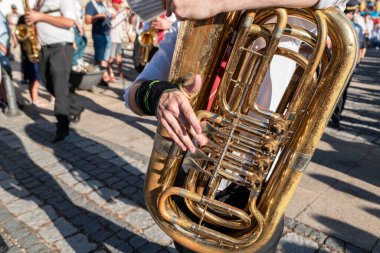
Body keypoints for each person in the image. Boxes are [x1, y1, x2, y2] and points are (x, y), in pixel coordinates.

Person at [125, 1, 351, 252]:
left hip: (253, 192)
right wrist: (158, 96)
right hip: (191, 181)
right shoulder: (191, 25)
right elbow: (133, 93)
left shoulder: (291, 18)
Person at [25, 0, 84, 143]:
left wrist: (40, 17)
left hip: (61, 47)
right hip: (45, 47)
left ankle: (62, 127)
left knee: (59, 86)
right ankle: (76, 104)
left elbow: (69, 22)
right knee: (48, 83)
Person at [331, 0, 361, 128]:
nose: (350, 14)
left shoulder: (355, 27)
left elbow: (362, 47)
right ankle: (335, 115)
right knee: (338, 90)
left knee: (339, 90)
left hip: (343, 63)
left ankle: (336, 115)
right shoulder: (354, 27)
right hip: (338, 62)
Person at [85, 0, 112, 84]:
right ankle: (103, 77)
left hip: (105, 34)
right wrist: (97, 16)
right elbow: (87, 20)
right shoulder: (91, 4)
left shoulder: (102, 4)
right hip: (98, 34)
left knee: (100, 59)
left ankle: (97, 79)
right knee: (101, 59)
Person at [108, 0, 129, 81]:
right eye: (118, 3)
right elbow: (109, 19)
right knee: (111, 57)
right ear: (113, 3)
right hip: (113, 37)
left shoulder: (122, 11)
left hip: (120, 37)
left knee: (119, 56)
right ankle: (111, 73)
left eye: (120, 3)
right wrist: (112, 16)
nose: (120, 5)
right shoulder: (109, 10)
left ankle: (120, 73)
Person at [72, 0, 88, 72]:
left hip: (80, 25)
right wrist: (79, 27)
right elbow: (73, 15)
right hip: (75, 26)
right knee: (76, 45)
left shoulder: (77, 2)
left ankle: (79, 59)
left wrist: (83, 26)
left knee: (83, 43)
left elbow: (81, 15)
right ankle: (74, 64)